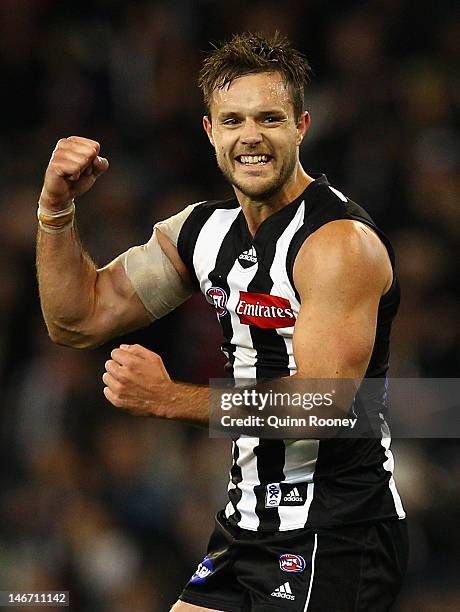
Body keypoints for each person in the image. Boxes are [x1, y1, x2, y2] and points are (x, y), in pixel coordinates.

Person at [36, 32, 408, 612]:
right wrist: (56, 210)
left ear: (302, 125)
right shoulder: (201, 234)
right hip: (244, 527)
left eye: (269, 118)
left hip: (336, 530)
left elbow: (327, 403)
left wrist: (171, 399)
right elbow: (77, 318)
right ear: (210, 130)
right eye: (232, 120)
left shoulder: (338, 244)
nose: (251, 136)